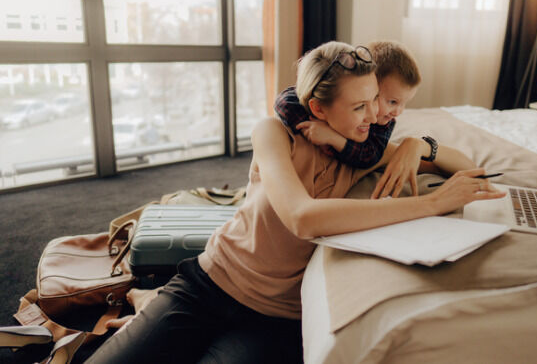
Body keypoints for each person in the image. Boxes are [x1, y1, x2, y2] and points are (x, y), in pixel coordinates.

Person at [85, 41, 504, 364]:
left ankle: (147, 306)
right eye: (361, 105)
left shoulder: (366, 151)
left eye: (377, 101)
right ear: (319, 108)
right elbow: (302, 218)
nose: (377, 115)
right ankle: (150, 302)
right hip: (209, 282)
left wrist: (418, 144)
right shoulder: (273, 132)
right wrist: (431, 205)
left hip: (277, 318)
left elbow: (468, 167)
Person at [274, 40, 443, 199]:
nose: (397, 113)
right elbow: (287, 101)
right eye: (359, 106)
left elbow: (368, 156)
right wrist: (314, 125)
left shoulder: (379, 135)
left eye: (375, 98)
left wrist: (419, 145)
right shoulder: (278, 137)